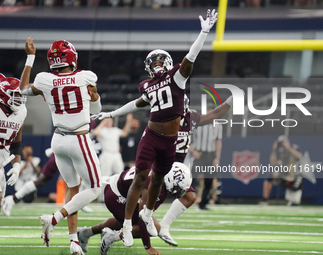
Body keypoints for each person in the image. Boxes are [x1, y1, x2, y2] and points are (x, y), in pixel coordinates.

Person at [92, 9, 217, 246]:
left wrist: (204, 33)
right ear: (150, 67)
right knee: (141, 178)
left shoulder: (177, 78)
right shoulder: (148, 86)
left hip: (168, 140)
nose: (158, 65)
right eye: (155, 63)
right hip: (151, 135)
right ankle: (128, 226)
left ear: (168, 64)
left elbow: (191, 57)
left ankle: (147, 216)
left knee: (158, 179)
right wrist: (111, 112)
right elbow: (134, 104)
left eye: (162, 62)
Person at [19, 38, 102, 255]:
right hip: (79, 138)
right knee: (95, 188)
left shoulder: (45, 79)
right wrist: (94, 96)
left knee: (73, 189)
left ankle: (74, 241)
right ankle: (53, 219)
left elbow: (23, 88)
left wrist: (30, 57)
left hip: (58, 140)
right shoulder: (86, 76)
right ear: (71, 58)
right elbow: (96, 108)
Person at [158, 95, 232, 246]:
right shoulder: (163, 118)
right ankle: (119, 229)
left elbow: (217, 115)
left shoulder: (192, 118)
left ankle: (163, 226)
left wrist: (232, 100)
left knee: (190, 195)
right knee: (149, 204)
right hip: (162, 163)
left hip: (178, 165)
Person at [77, 162, 192, 255]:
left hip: (117, 187)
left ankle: (85, 233)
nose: (179, 192)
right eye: (178, 188)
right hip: (116, 195)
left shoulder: (161, 172)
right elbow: (144, 217)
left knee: (121, 222)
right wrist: (148, 246)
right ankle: (110, 237)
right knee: (153, 227)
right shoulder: (154, 185)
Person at [0, 74, 27, 213]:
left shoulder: (21, 112)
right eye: (16, 95)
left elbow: (16, 144)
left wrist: (16, 166)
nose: (20, 99)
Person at [189, 103, 223, 210]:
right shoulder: (197, 123)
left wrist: (217, 157)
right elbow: (187, 138)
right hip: (198, 154)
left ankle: (203, 203)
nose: (209, 112)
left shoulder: (217, 125)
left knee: (209, 180)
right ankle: (183, 199)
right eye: (208, 110)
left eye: (211, 110)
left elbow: (218, 142)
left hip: (210, 155)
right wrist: (193, 151)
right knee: (191, 178)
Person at [93, 114, 133, 202]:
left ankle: (121, 195)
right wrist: (103, 123)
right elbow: (95, 132)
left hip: (116, 155)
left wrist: (129, 121)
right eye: (107, 120)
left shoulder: (115, 130)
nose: (109, 122)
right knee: (105, 176)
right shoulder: (102, 130)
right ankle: (102, 198)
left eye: (110, 120)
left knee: (120, 175)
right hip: (106, 155)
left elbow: (124, 133)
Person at [259, 135, 302, 206]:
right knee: (269, 177)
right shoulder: (279, 151)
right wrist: (273, 150)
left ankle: (294, 201)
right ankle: (264, 199)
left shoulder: (293, 148)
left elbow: (300, 156)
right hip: (282, 175)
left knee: (297, 183)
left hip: (293, 175)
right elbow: (273, 163)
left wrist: (288, 148)